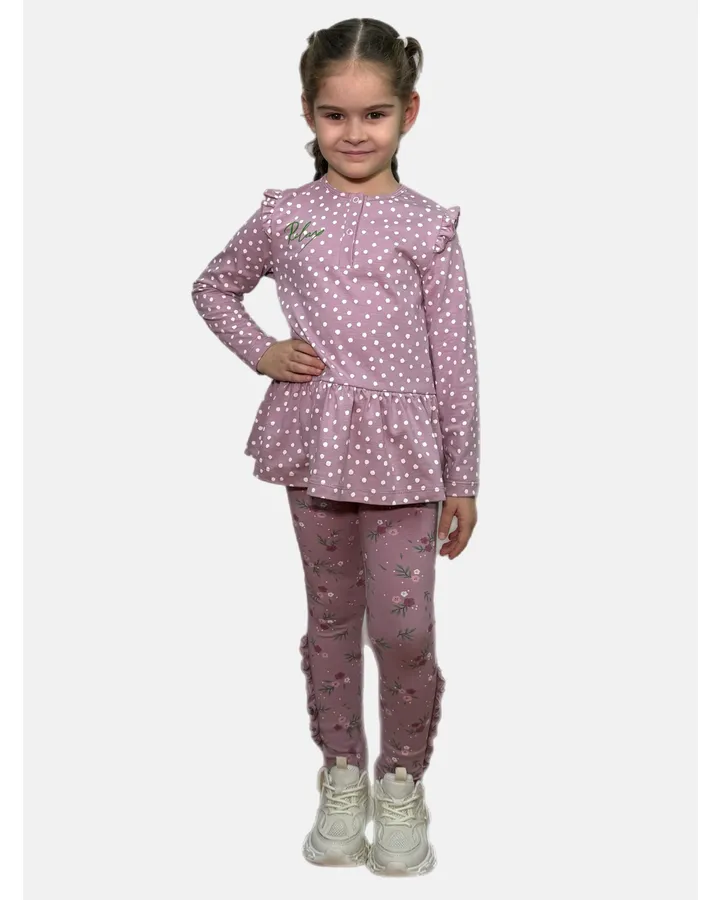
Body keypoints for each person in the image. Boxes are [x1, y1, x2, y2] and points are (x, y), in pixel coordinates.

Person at [191, 17, 480, 877]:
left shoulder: (427, 226)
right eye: (335, 115)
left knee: (404, 629)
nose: (355, 133)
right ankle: (342, 772)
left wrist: (464, 476)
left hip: (405, 456)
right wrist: (262, 351)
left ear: (409, 113)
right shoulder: (286, 215)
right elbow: (213, 286)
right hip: (313, 446)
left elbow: (457, 359)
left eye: (375, 114)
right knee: (330, 620)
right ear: (308, 113)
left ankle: (403, 780)